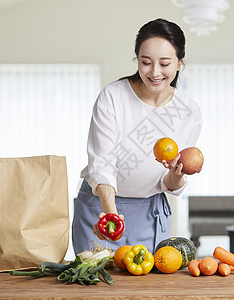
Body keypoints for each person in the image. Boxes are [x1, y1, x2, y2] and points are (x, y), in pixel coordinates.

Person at [72, 18, 202, 255]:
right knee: (96, 285)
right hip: (101, 207)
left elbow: (169, 183)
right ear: (137, 60)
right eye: (145, 62)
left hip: (150, 213)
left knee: (147, 289)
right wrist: (111, 215)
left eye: (165, 63)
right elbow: (102, 163)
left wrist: (175, 175)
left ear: (179, 63)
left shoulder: (188, 111)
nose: (155, 72)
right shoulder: (113, 97)